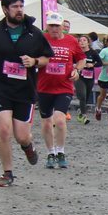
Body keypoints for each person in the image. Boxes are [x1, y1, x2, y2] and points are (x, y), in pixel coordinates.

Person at [0, 0, 49, 186]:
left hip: (25, 90)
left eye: (21, 6)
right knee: (3, 129)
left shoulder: (34, 33)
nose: (19, 10)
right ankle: (7, 173)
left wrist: (34, 61)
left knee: (22, 136)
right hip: (0, 87)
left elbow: (46, 58)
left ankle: (28, 146)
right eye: (15, 7)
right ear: (5, 9)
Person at [37, 11, 82, 168]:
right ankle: (51, 153)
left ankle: (61, 151)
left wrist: (77, 70)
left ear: (62, 26)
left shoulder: (71, 41)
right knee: (46, 122)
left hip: (64, 87)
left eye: (57, 26)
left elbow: (81, 59)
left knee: (60, 120)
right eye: (51, 26)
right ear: (47, 26)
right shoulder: (41, 39)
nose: (54, 29)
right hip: (44, 87)